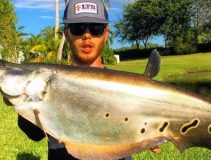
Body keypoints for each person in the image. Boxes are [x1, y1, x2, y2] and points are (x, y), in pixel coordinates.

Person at [17, 0, 131, 159]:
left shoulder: (126, 88)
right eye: (78, 28)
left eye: (95, 28)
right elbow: (33, 134)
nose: (87, 35)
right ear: (66, 33)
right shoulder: (49, 83)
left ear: (105, 34)